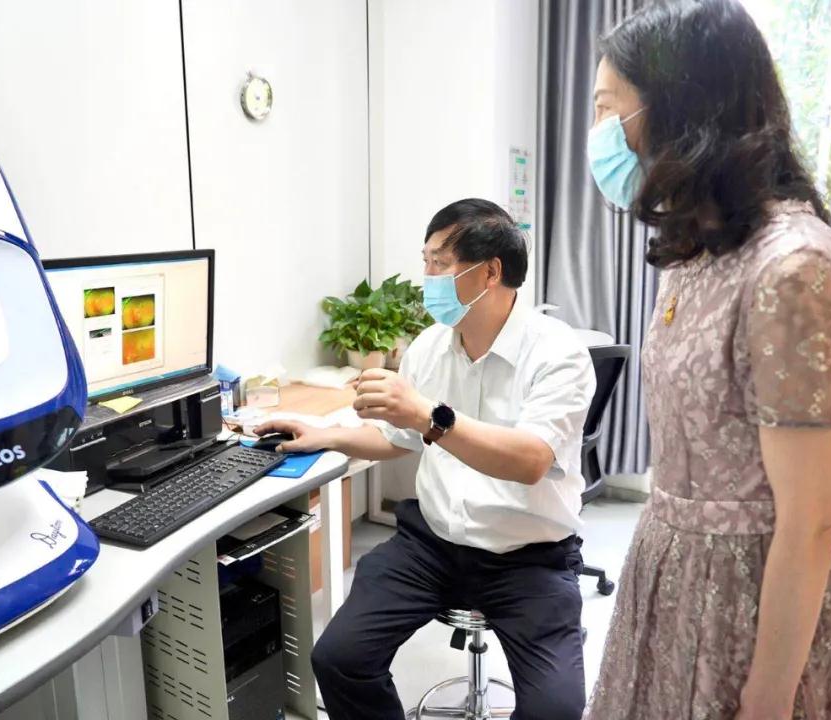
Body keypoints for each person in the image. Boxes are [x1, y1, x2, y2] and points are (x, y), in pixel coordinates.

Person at [582, 2, 831, 719]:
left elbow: (811, 520)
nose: (598, 132)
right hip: (667, 570)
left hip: (744, 601)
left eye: (608, 108)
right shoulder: (699, 249)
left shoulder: (794, 270)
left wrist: (767, 699)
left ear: (680, 109)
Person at [255, 198, 596, 720]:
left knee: (556, 710)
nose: (427, 278)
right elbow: (399, 438)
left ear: (491, 272)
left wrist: (426, 415)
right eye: (426, 261)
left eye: (440, 262)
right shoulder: (429, 347)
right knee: (339, 658)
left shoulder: (557, 353)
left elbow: (530, 460)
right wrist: (326, 434)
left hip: (530, 557)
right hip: (433, 546)